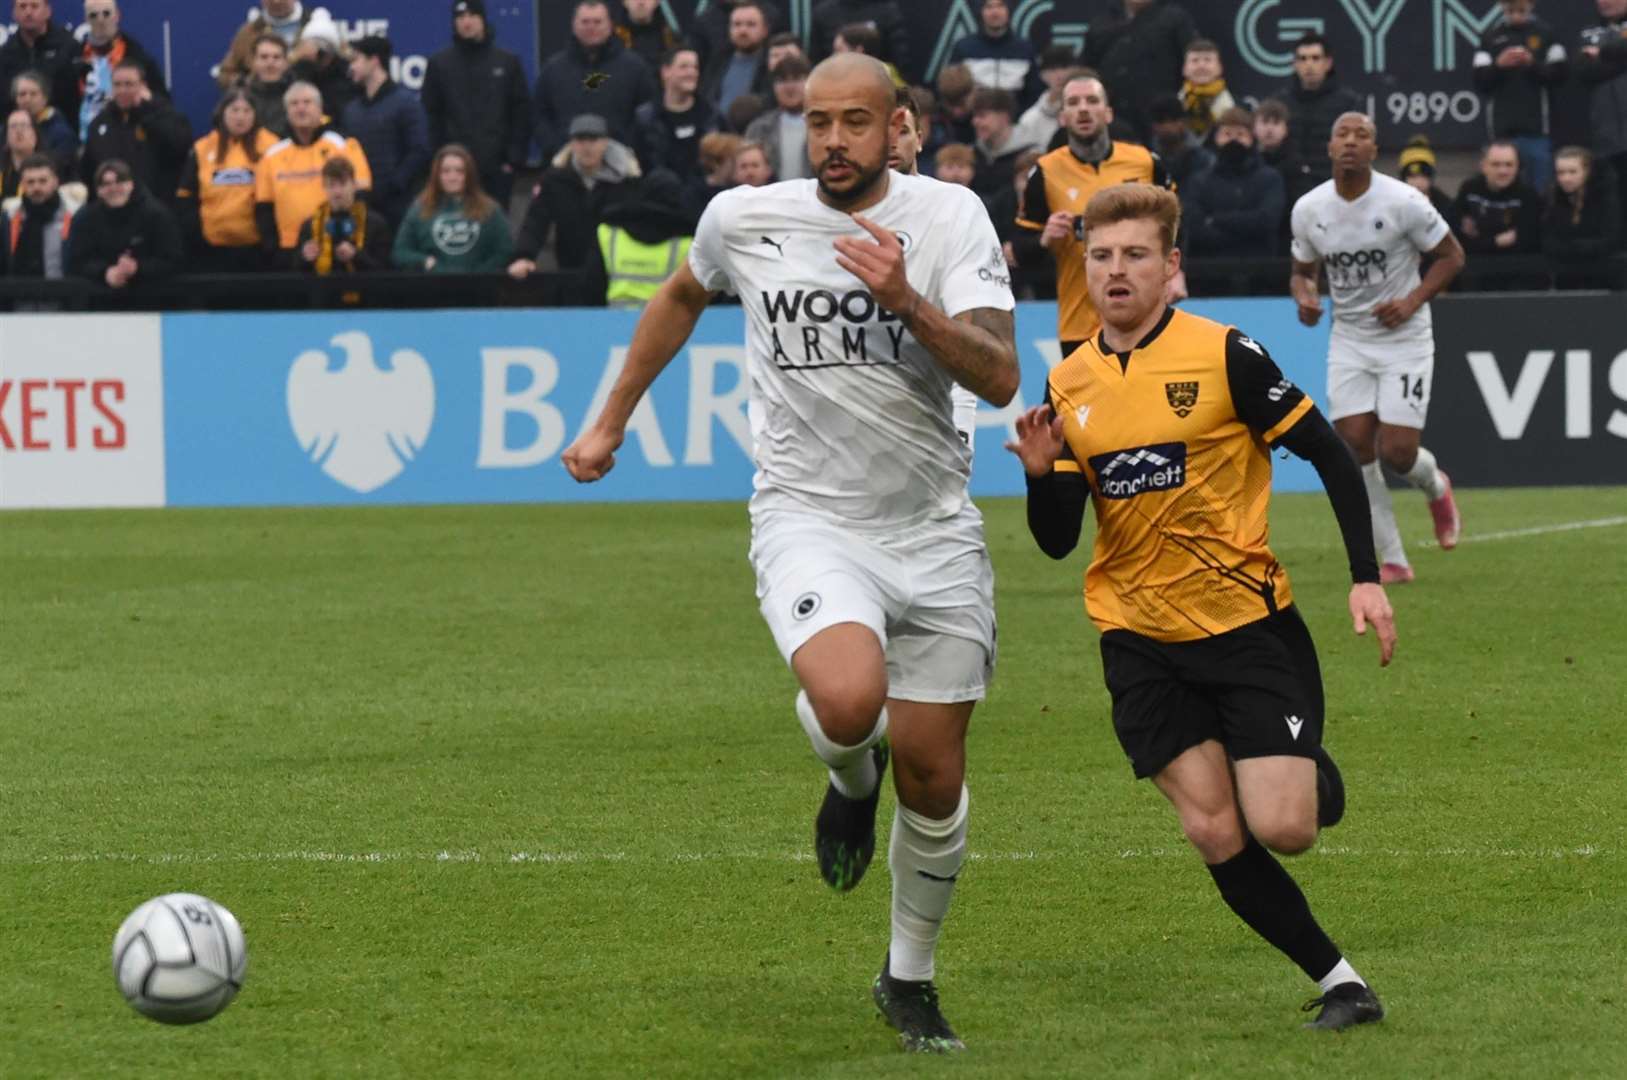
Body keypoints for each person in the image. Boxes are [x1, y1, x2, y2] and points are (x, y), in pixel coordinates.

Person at [561, 52, 1019, 1055]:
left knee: (936, 780)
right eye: (818, 123)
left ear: (897, 125)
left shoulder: (949, 221)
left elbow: (997, 375)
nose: (833, 143)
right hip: (809, 516)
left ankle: (908, 978)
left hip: (934, 527)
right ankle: (851, 782)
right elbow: (683, 293)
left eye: (856, 123)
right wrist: (610, 421)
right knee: (851, 702)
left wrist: (908, 301)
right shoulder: (745, 218)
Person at [1005, 179, 1395, 1034]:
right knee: (1214, 831)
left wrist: (1363, 575)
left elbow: (1330, 455)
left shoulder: (1224, 353)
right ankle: (1342, 984)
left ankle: (1307, 772)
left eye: (1134, 255)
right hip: (1136, 638)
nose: (1114, 271)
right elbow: (1057, 539)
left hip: (1246, 626)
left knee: (1285, 829)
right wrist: (1040, 475)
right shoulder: (1068, 381)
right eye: (1099, 255)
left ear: (1169, 267)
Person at [1290, 112, 1466, 584]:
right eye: (1342, 134)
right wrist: (1305, 297)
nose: (1350, 142)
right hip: (1349, 338)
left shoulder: (1405, 201)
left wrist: (1411, 301)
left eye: (1361, 135)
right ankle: (1393, 558)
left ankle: (1435, 485)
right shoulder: (1309, 209)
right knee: (1355, 443)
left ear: (1374, 148)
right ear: (1329, 147)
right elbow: (1303, 269)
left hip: (1404, 338)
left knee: (1399, 451)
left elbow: (1452, 256)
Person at [1015, 72, 1177, 357]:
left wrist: (1177, 273)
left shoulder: (1145, 163)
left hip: (1145, 320)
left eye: (1092, 101)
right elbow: (1019, 248)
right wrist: (1044, 238)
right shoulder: (1045, 172)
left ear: (1108, 113)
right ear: (1063, 117)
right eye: (1073, 103)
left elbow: (1175, 222)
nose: (1083, 109)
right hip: (1079, 325)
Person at [889, 85, 983, 450]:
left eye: (902, 131)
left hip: (947, 381)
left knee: (945, 494)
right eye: (883, 132)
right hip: (870, 382)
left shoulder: (955, 205)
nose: (892, 143)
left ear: (920, 139)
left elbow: (975, 310)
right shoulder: (841, 215)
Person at [422, 0, 531, 206]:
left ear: (483, 19)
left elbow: (520, 113)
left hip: (497, 168)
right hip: (454, 170)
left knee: (495, 228)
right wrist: (438, 161)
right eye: (461, 17)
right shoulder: (440, 64)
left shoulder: (506, 62)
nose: (466, 22)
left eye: (472, 16)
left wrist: (513, 159)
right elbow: (432, 115)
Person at [508, 113, 638, 282]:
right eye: (580, 140)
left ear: (606, 142)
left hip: (615, 271)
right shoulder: (555, 179)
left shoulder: (627, 180)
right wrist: (524, 256)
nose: (587, 147)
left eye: (593, 139)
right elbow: (535, 222)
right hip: (570, 269)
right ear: (571, 144)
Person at [255, 81, 371, 258]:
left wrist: (349, 240)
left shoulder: (343, 145)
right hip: (289, 250)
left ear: (320, 108)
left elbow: (361, 194)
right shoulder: (272, 155)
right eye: (294, 104)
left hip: (336, 247)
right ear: (286, 112)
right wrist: (274, 250)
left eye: (307, 102)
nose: (301, 109)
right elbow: (264, 208)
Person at [533, 0, 656, 164]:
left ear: (610, 24)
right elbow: (538, 115)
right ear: (574, 24)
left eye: (598, 22)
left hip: (622, 166)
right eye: (585, 22)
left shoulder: (635, 67)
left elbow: (647, 113)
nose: (591, 27)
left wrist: (626, 147)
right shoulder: (553, 69)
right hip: (566, 167)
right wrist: (556, 147)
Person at [175, 88, 278, 272]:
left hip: (259, 252)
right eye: (234, 110)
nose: (240, 117)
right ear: (222, 113)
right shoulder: (202, 148)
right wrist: (198, 237)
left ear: (256, 115)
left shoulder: (272, 146)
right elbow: (185, 196)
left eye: (247, 111)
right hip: (212, 252)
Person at [1473, 0, 1567, 193]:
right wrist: (1499, 65)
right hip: (1502, 133)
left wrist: (1532, 64)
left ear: (1531, 7)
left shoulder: (1546, 34)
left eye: (1521, 11)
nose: (1516, 16)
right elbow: (1480, 80)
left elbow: (1560, 75)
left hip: (1537, 132)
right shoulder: (1490, 37)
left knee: (1539, 191)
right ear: (1502, 8)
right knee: (1501, 190)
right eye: (1510, 11)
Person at [342, 36, 431, 228]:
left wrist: (394, 184)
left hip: (398, 205)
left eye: (356, 59)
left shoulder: (406, 103)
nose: (352, 67)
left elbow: (419, 150)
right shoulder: (352, 110)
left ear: (374, 60)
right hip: (360, 203)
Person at [81, 61, 191, 207]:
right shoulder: (100, 123)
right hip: (111, 209)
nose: (122, 90)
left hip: (156, 209)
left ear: (143, 85)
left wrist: (146, 111)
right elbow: (90, 168)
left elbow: (179, 146)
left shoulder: (166, 115)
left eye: (129, 84)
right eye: (117, 85)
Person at [1085, 0, 1196, 141]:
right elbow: (1087, 68)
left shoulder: (1174, 18)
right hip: (1113, 116)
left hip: (1159, 121)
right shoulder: (1102, 21)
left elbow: (1191, 62)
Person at [1181, 107, 1284, 258]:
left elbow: (1267, 221)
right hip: (1210, 268)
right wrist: (1245, 231)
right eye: (1227, 134)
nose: (1234, 140)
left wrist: (1214, 219)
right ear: (1216, 138)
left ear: (1251, 138)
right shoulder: (1199, 181)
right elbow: (1194, 226)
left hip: (1259, 268)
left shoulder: (1270, 178)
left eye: (1241, 134)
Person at [393, 144, 511, 273]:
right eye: (445, 171)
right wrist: (425, 261)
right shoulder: (419, 208)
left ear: (469, 174)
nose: (452, 177)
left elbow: (505, 251)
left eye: (460, 171)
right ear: (436, 175)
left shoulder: (490, 209)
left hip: (479, 287)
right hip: (433, 287)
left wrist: (480, 274)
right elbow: (400, 253)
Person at [69, 157, 183, 287]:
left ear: (131, 184)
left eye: (120, 181)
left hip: (150, 297)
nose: (113, 188)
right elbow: (76, 262)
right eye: (106, 184)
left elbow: (174, 260)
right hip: (101, 299)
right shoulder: (85, 218)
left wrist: (138, 267)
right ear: (98, 190)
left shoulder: (157, 215)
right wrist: (105, 272)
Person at [1271, 33, 1363, 189]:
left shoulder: (1348, 103)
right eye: (1303, 59)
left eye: (1315, 58)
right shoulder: (1280, 103)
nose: (1309, 65)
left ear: (1327, 63)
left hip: (1333, 186)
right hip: (1289, 188)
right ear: (1295, 64)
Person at [76, 0, 168, 144]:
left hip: (128, 137)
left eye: (106, 13)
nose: (101, 20)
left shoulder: (137, 56)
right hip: (84, 140)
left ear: (117, 15)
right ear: (86, 20)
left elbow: (162, 101)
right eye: (93, 15)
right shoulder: (73, 55)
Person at [1451, 139, 1544, 272]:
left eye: (1509, 165)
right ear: (1483, 166)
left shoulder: (1528, 195)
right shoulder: (1469, 189)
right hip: (1475, 269)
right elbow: (1458, 239)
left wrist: (1481, 239)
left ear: (1518, 167)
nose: (1503, 171)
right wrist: (1496, 242)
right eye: (1496, 164)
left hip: (1518, 271)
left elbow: (1527, 242)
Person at [632, 46, 721, 185]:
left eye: (695, 67)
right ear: (665, 72)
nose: (692, 73)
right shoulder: (645, 119)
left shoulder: (711, 115)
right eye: (684, 67)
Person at [1576, 0, 1627, 227]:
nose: (1605, 2)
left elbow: (1599, 65)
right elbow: (1584, 71)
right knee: (1614, 196)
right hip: (1606, 133)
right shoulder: (1589, 32)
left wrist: (1603, 53)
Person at [1542, 145, 1623, 288]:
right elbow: (1548, 240)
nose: (1566, 178)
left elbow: (1611, 239)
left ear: (1587, 171)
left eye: (1573, 172)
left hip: (1606, 280)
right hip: (1566, 280)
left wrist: (1571, 248)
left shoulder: (1607, 198)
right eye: (1560, 173)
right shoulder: (1553, 198)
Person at [296, 155, 392, 274]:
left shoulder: (376, 224)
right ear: (324, 188)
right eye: (331, 185)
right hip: (324, 290)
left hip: (364, 291)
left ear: (354, 185)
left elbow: (385, 272)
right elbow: (296, 271)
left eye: (342, 184)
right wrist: (304, 258)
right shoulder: (310, 225)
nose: (337, 192)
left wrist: (356, 256)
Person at [949, 0, 1041, 107]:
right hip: (973, 120)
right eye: (989, 7)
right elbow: (953, 91)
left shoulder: (1026, 49)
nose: (995, 12)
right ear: (981, 12)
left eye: (1000, 6)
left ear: (1008, 11)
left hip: (1016, 121)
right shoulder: (963, 48)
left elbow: (1034, 92)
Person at [0, 0, 80, 122]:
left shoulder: (68, 47)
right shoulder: (6, 53)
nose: (28, 12)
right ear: (14, 13)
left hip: (60, 128)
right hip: (18, 129)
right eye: (22, 6)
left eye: (34, 6)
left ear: (48, 11)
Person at [4, 152, 74, 283]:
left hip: (61, 297)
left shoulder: (73, 217)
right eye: (30, 182)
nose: (36, 187)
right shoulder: (8, 218)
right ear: (22, 185)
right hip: (18, 297)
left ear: (55, 182)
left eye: (43, 181)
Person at [217, 0, 317, 89]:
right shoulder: (248, 32)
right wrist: (247, 83)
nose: (276, 2)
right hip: (259, 103)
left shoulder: (317, 27)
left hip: (305, 103)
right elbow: (225, 74)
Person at [700, 0, 773, 117]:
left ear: (765, 30)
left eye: (751, 24)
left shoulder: (771, 65)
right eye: (737, 24)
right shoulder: (717, 62)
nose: (743, 30)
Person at [744, 55, 811, 180]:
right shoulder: (758, 129)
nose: (790, 87)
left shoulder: (823, 127)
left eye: (797, 79)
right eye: (782, 80)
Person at [809, 0, 910, 78]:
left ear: (860, 49)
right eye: (837, 50)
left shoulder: (887, 10)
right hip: (832, 83)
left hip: (878, 82)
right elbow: (815, 59)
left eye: (838, 50)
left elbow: (900, 59)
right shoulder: (824, 12)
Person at [286, 10, 355, 122]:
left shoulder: (345, 75)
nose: (321, 54)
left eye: (325, 47)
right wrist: (301, 62)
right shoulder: (297, 71)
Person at [1011, 47, 1078, 153]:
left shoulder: (1087, 111)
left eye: (1064, 67)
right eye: (1052, 69)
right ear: (1042, 75)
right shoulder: (1030, 119)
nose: (1059, 75)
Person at [1147, 93, 1214, 189]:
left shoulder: (1203, 160)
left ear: (1184, 122)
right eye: (1161, 121)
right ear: (1153, 126)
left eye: (1173, 120)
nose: (1168, 126)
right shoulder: (1146, 157)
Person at [10, 71, 75, 163]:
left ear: (45, 98)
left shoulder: (61, 133)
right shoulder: (7, 131)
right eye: (22, 94)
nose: (27, 99)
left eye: (33, 94)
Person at [239, 34, 293, 138]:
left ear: (286, 62)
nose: (270, 63)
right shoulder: (239, 96)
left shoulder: (299, 96)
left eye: (276, 57)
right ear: (253, 62)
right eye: (264, 57)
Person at [1180, 38, 1235, 141]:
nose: (1201, 66)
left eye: (1208, 60)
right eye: (1195, 60)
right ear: (1184, 69)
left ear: (1220, 68)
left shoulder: (1236, 105)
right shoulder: (1176, 104)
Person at [1397, 136, 1455, 221]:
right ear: (1403, 178)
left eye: (1423, 176)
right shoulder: (1393, 203)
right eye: (1412, 177)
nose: (1418, 182)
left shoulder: (1444, 204)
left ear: (1430, 177)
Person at [615, 0, 679, 71]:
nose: (641, 2)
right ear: (624, 2)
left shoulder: (671, 37)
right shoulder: (613, 38)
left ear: (657, 2)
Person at [0, 109, 40, 199]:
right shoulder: (2, 169)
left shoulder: (49, 168)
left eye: (24, 125)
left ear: (35, 134)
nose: (18, 131)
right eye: (13, 126)